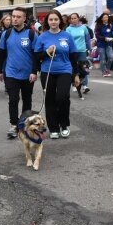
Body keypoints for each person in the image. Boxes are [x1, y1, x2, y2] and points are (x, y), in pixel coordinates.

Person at [33, 9, 81, 139]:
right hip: (47, 71)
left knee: (62, 97)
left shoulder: (67, 36)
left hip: (65, 70)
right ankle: (53, 128)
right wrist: (47, 51)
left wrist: (76, 74)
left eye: (56, 19)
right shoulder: (42, 37)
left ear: (60, 20)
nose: (53, 22)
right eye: (50, 19)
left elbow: (73, 56)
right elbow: (37, 56)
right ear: (47, 22)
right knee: (49, 99)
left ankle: (64, 125)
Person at [0, 7, 36, 138]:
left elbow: (36, 55)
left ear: (24, 18)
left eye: (18, 17)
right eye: (13, 16)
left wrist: (34, 71)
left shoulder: (31, 34)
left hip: (27, 74)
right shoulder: (6, 34)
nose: (15, 19)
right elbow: (1, 53)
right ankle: (14, 125)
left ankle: (25, 124)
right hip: (11, 73)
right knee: (13, 99)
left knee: (27, 99)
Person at [66, 13, 92, 95]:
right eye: (72, 18)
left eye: (75, 18)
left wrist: (89, 48)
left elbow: (87, 39)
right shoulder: (68, 29)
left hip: (82, 50)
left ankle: (85, 86)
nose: (73, 20)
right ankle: (73, 83)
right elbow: (67, 41)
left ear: (78, 19)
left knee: (84, 68)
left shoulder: (83, 27)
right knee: (74, 68)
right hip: (72, 51)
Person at [94, 13, 113, 77]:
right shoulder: (98, 25)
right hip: (101, 44)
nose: (106, 18)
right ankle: (103, 72)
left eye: (107, 17)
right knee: (103, 59)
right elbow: (97, 35)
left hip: (109, 44)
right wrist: (105, 38)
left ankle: (107, 69)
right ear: (102, 18)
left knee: (110, 57)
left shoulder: (111, 25)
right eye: (104, 17)